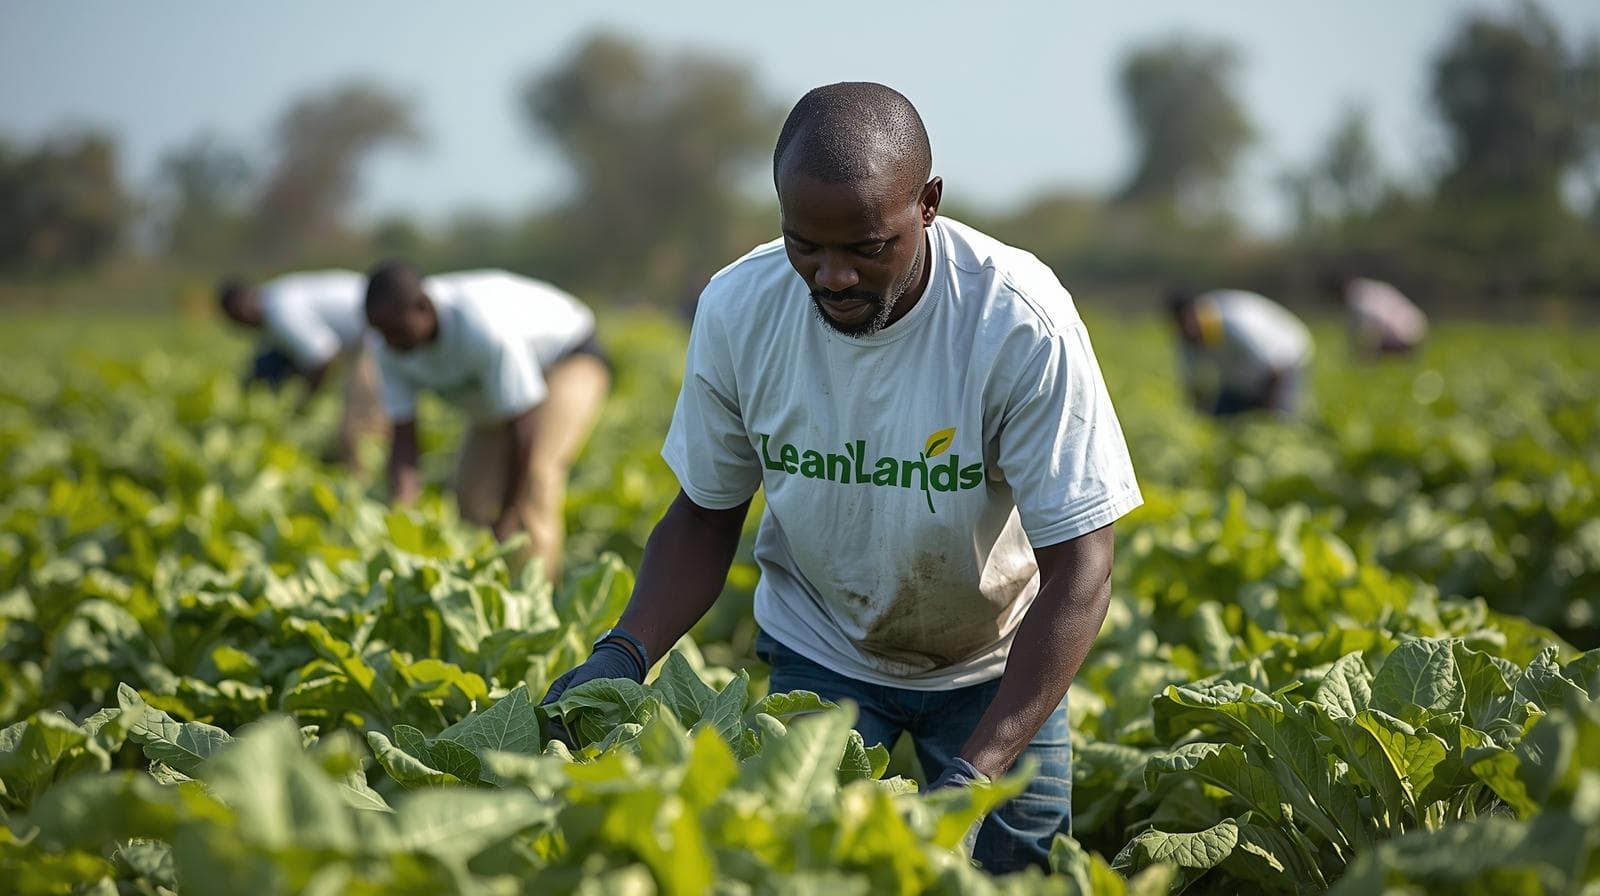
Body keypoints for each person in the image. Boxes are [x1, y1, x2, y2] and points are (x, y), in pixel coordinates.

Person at [539, 82, 1143, 873]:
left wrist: (977, 771)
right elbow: (704, 515)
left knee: (1020, 876)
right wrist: (622, 650)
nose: (830, 277)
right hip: (821, 648)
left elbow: (1082, 567)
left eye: (866, 247)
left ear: (927, 204)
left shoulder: (1017, 320)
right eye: (805, 246)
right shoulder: (738, 310)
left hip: (998, 663)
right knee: (801, 870)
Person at [363, 263, 611, 580]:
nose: (389, 341)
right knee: (470, 493)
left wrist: (507, 514)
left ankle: (539, 597)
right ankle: (490, 584)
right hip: (498, 394)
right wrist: (403, 511)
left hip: (568, 358)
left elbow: (523, 423)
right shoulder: (388, 347)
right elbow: (404, 439)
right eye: (380, 333)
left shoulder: (480, 326)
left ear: (423, 308)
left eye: (395, 331)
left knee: (534, 479)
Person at [218, 270, 387, 464]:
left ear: (243, 309)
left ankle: (369, 483)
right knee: (361, 421)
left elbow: (323, 356)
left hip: (376, 327)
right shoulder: (272, 298)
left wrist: (304, 403)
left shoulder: (279, 312)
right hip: (364, 325)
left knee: (358, 429)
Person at [1168, 286, 1313, 417]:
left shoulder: (1234, 324)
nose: (1186, 328)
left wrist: (1268, 415)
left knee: (1280, 419)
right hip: (1242, 374)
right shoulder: (1187, 338)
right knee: (1223, 418)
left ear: (1194, 313)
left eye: (1187, 320)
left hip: (1286, 356)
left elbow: (1277, 371)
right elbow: (1195, 388)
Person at [1324, 272, 1428, 359]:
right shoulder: (1367, 287)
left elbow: (1372, 329)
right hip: (1418, 329)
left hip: (1402, 338)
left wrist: (1363, 354)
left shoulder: (1356, 299)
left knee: (1366, 357)